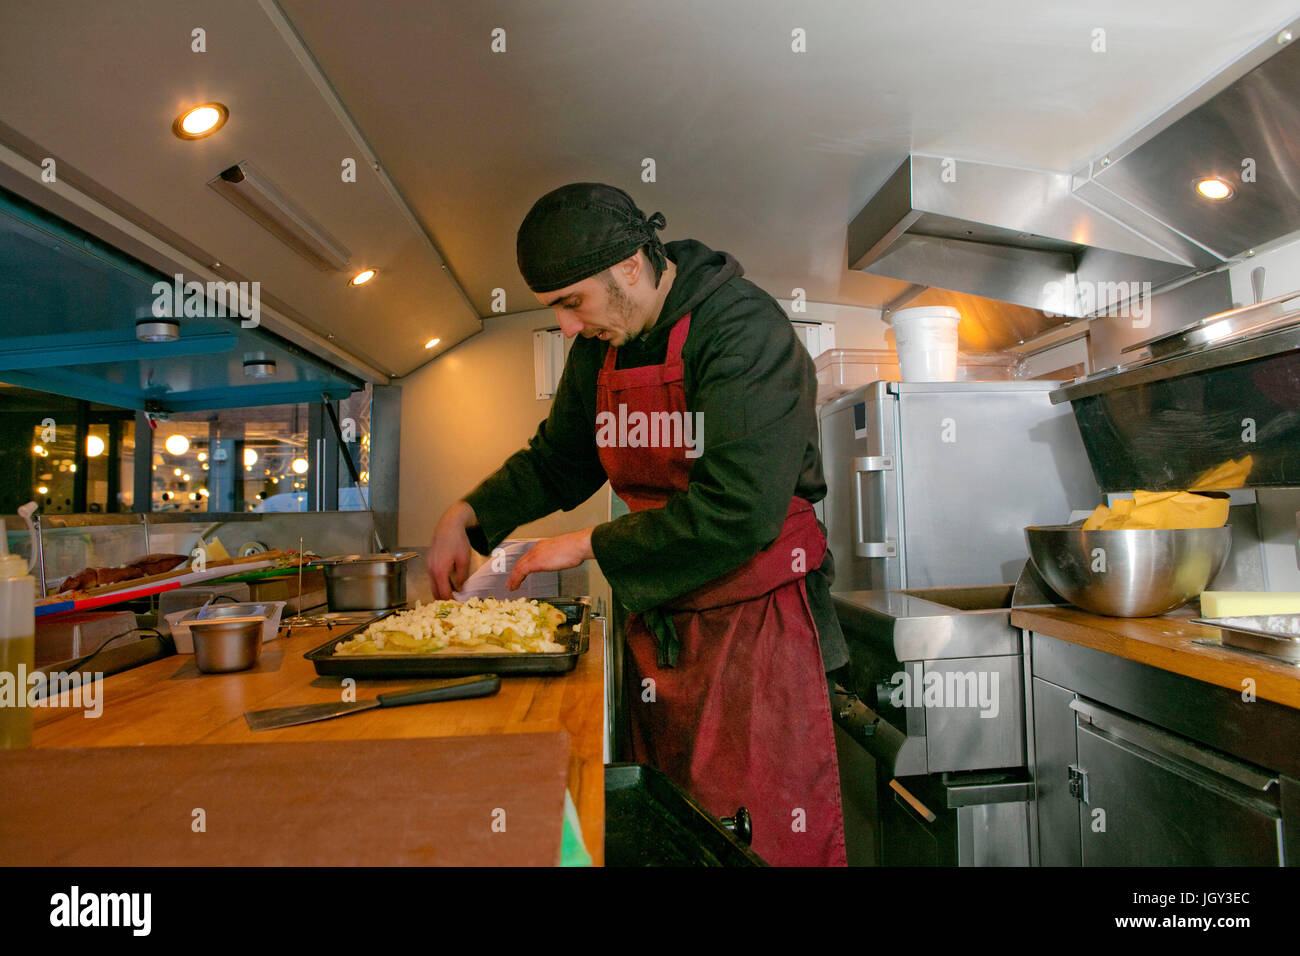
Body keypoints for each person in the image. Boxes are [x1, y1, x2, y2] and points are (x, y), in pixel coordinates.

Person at [427, 182, 848, 866]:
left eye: (571, 302)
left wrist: (584, 544)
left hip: (759, 629)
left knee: (758, 837)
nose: (566, 326)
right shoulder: (604, 343)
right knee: (676, 828)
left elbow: (739, 510)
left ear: (629, 266)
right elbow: (562, 458)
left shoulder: (742, 328)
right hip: (665, 624)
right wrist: (468, 516)